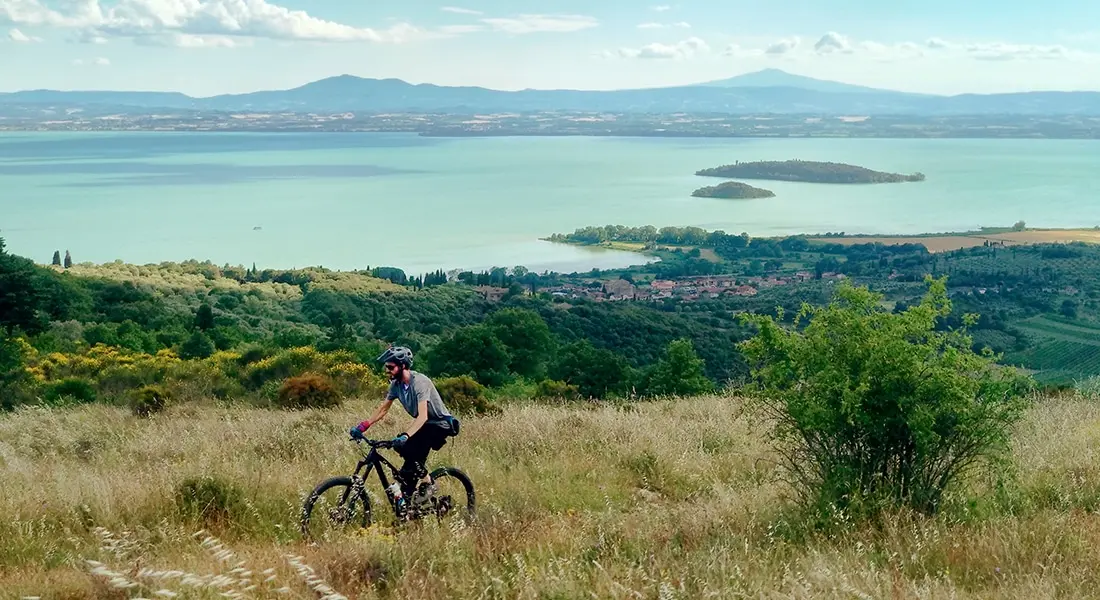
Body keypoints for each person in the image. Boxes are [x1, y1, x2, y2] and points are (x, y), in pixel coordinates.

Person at [349, 345, 458, 506]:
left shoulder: (420, 382)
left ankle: (429, 483)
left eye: (391, 367)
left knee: (406, 445)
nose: (387, 371)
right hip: (425, 425)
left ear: (403, 366)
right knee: (403, 454)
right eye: (387, 367)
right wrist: (364, 426)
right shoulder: (396, 385)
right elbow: (383, 409)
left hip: (439, 424)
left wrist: (406, 435)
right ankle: (407, 507)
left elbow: (423, 416)